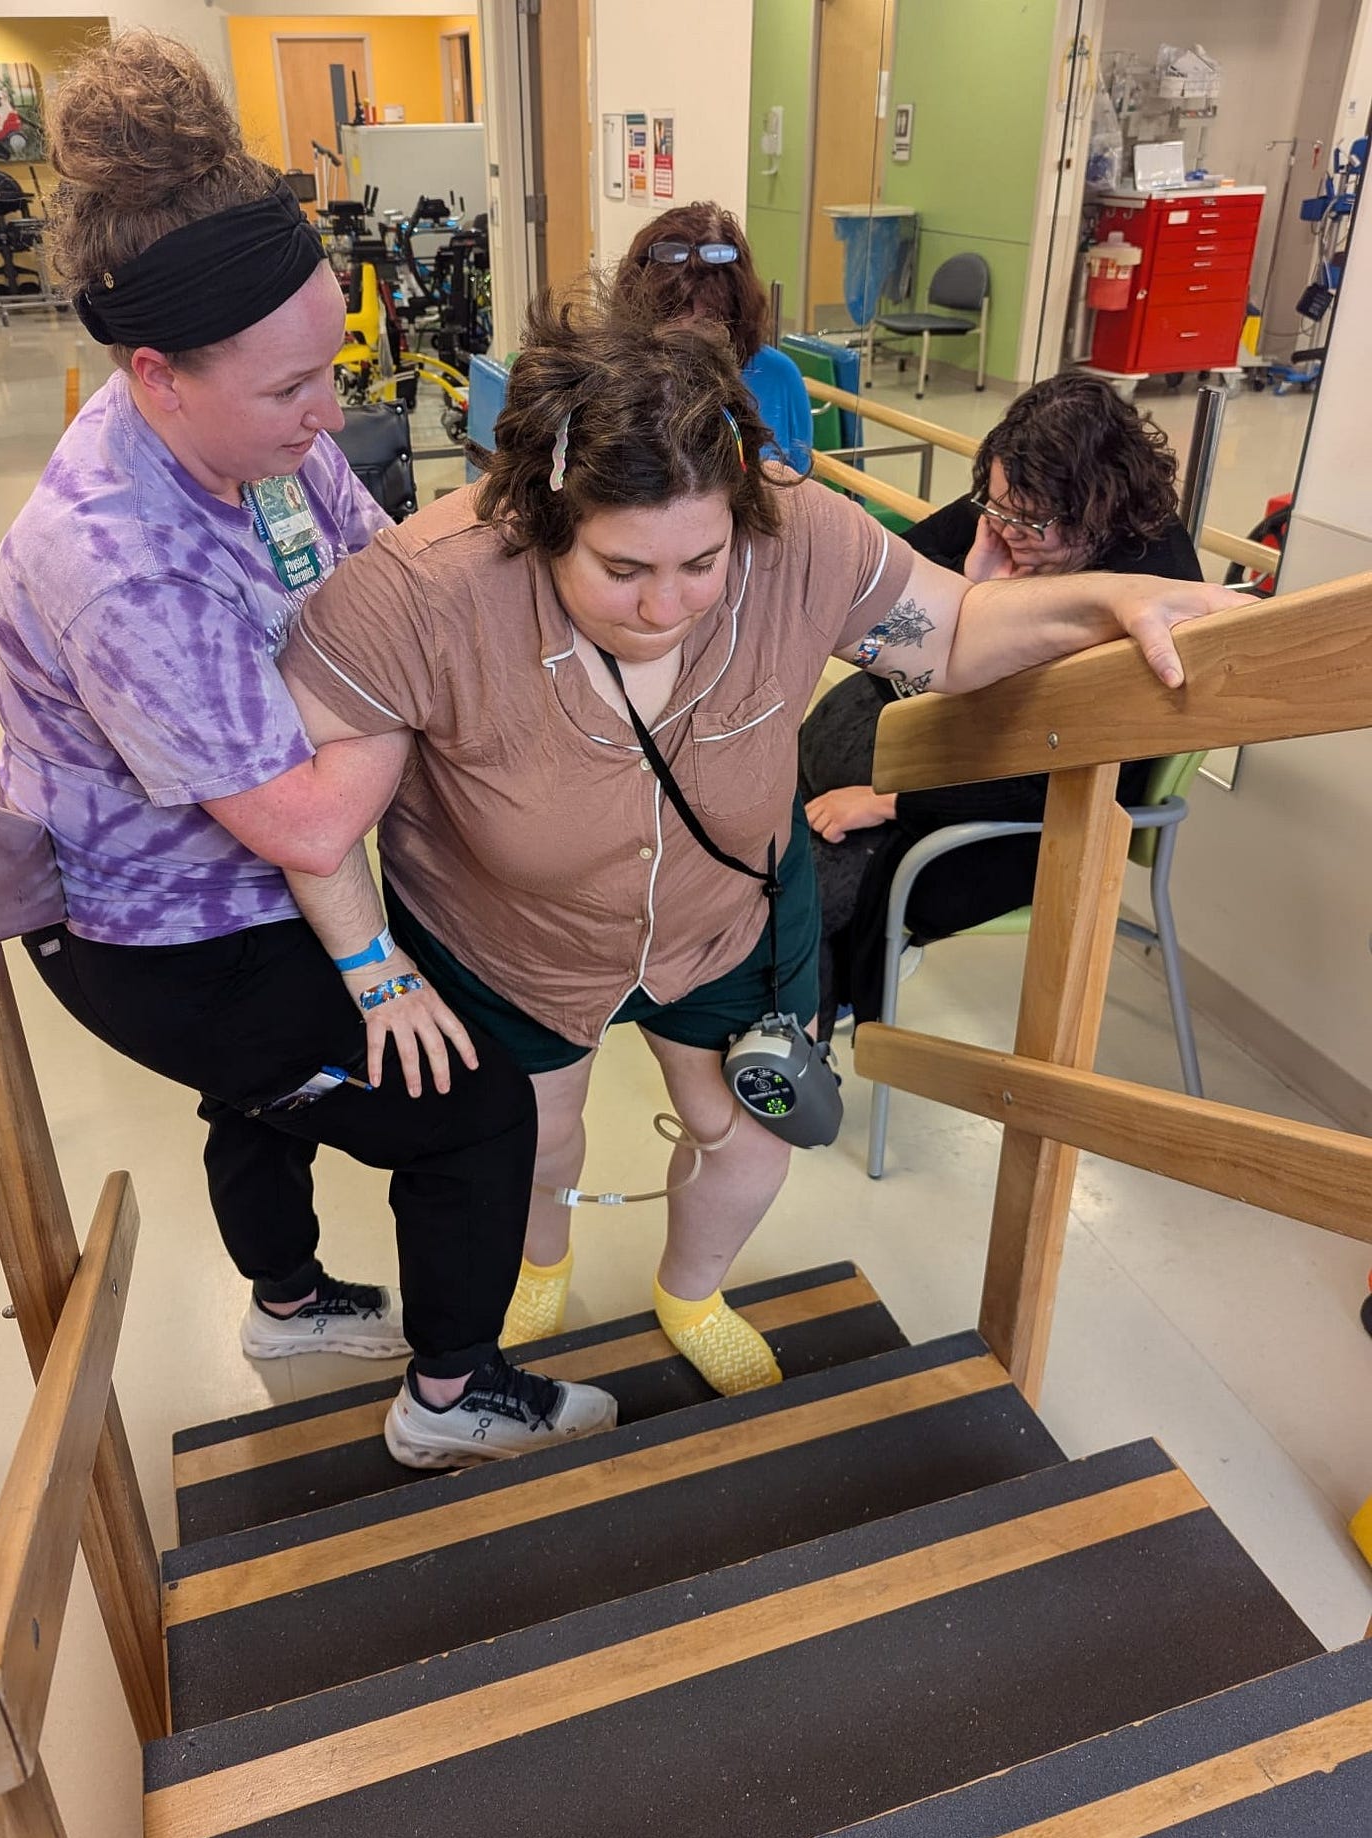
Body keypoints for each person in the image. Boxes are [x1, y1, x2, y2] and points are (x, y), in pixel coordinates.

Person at [274, 293, 1245, 1398]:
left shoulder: (789, 526)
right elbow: (307, 798)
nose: (667, 605)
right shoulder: (421, 589)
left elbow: (958, 630)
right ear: (542, 519)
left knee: (744, 1126)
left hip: (722, 910)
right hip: (510, 937)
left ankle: (691, 1290)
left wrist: (1108, 596)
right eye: (622, 568)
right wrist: (371, 965)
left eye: (701, 561)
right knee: (529, 1143)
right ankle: (541, 1259)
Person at [0, 32, 615, 1470]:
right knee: (471, 1117)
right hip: (164, 934)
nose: (330, 416)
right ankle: (451, 1398)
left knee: (264, 1099)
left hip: (241, 880)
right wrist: (410, 691)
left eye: (329, 368)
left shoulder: (256, 437)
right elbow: (312, 820)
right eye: (290, 394)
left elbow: (370, 572)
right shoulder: (119, 561)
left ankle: (286, 1302)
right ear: (154, 376)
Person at [800, 372, 1205, 1032]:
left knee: (797, 896)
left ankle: (798, 1055)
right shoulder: (1017, 507)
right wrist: (973, 591)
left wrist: (891, 800)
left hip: (1024, 811)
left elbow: (1068, 782)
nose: (1001, 527)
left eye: (1025, 520)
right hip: (946, 747)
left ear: (1097, 508)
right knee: (786, 820)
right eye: (993, 505)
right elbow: (895, 594)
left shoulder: (1152, 592)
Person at [616, 201, 814, 471]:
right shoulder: (614, 384)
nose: (691, 337)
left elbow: (799, 488)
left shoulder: (779, 376)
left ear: (737, 315)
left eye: (709, 320)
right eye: (674, 316)